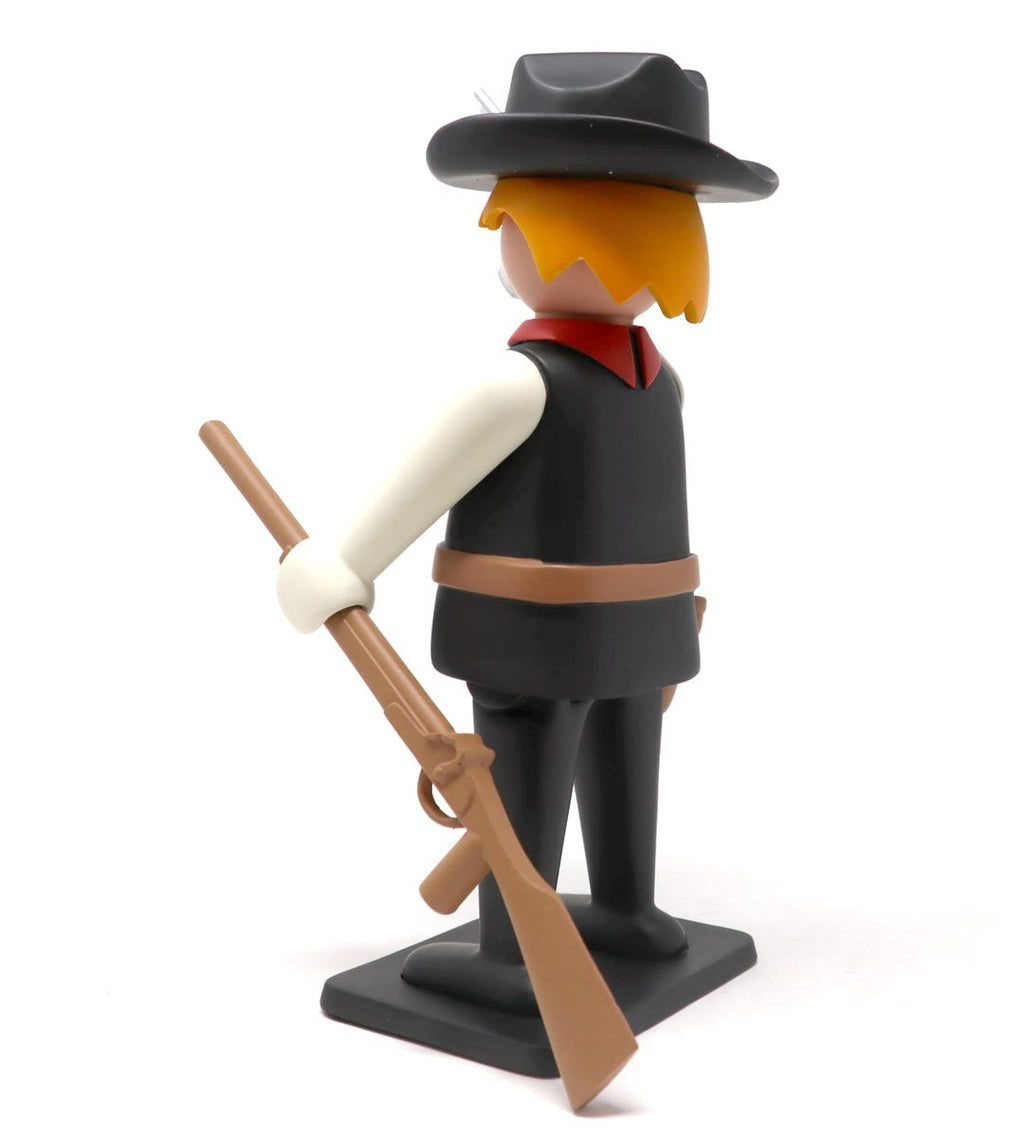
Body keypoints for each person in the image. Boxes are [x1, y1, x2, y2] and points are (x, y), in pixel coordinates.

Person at [277, 52, 777, 1013]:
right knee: (625, 752)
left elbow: (419, 488)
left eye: (510, 220)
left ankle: (510, 957)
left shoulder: (517, 382)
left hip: (533, 636)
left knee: (523, 780)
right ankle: (627, 908)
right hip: (646, 631)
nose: (499, 239)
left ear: (546, 237)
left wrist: (338, 563)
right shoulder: (660, 383)